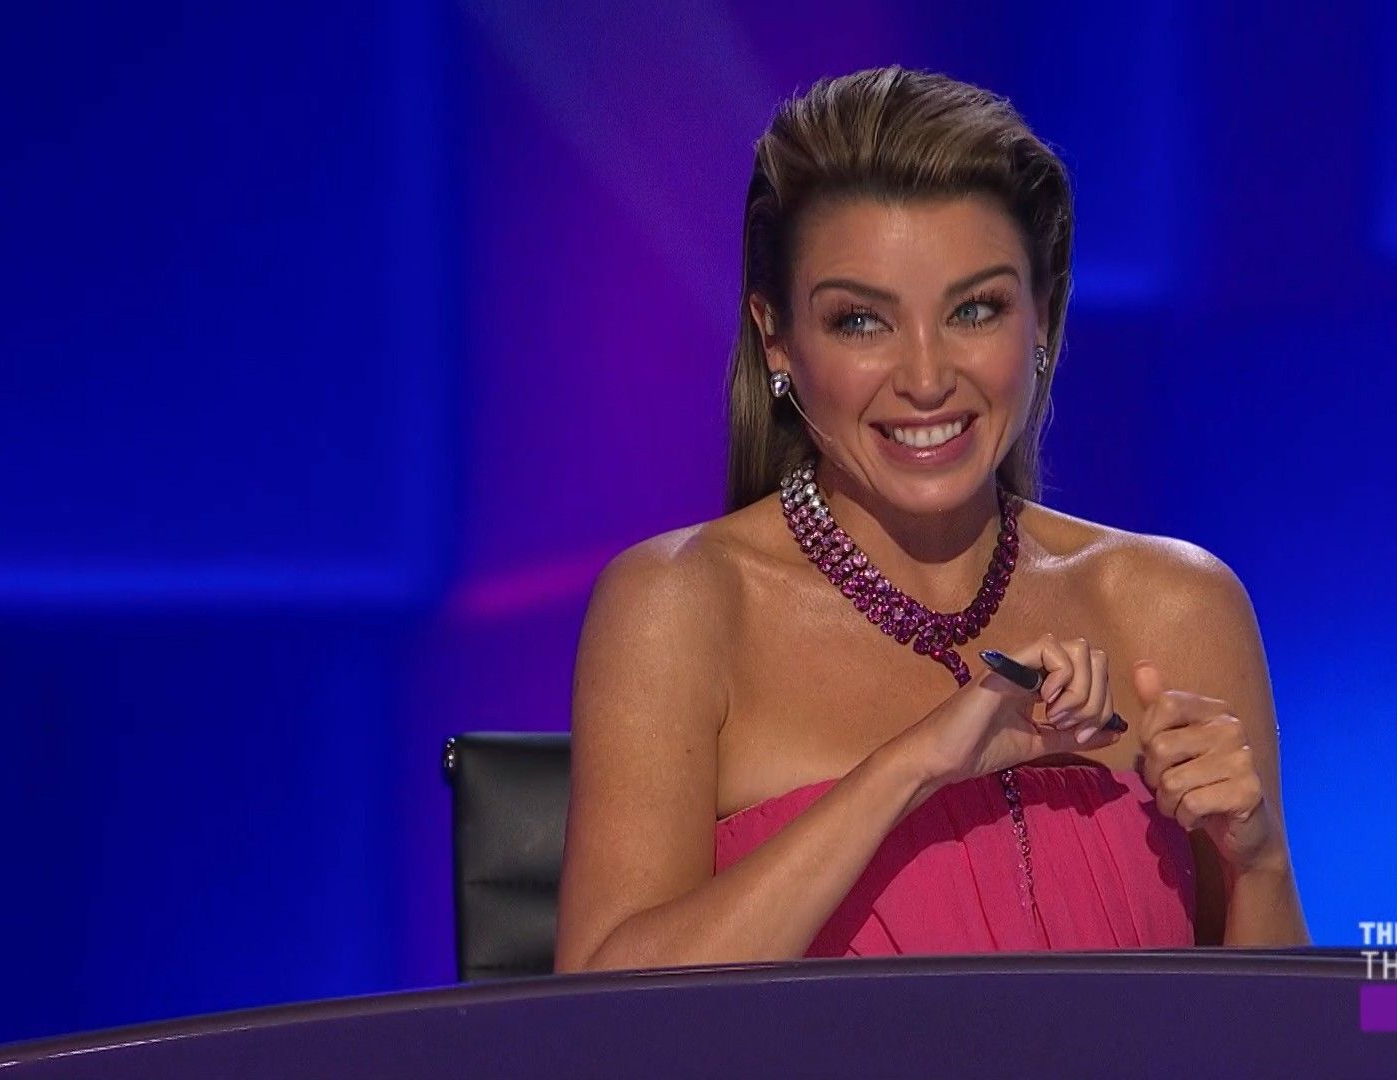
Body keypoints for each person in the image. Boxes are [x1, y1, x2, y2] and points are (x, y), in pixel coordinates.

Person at [554, 66, 1310, 972]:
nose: (925, 378)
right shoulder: (679, 607)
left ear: (1042, 320)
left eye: (974, 309)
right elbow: (604, 1014)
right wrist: (914, 766)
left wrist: (1259, 865)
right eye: (861, 322)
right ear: (777, 338)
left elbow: (1277, 1030)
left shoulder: (1176, 605)